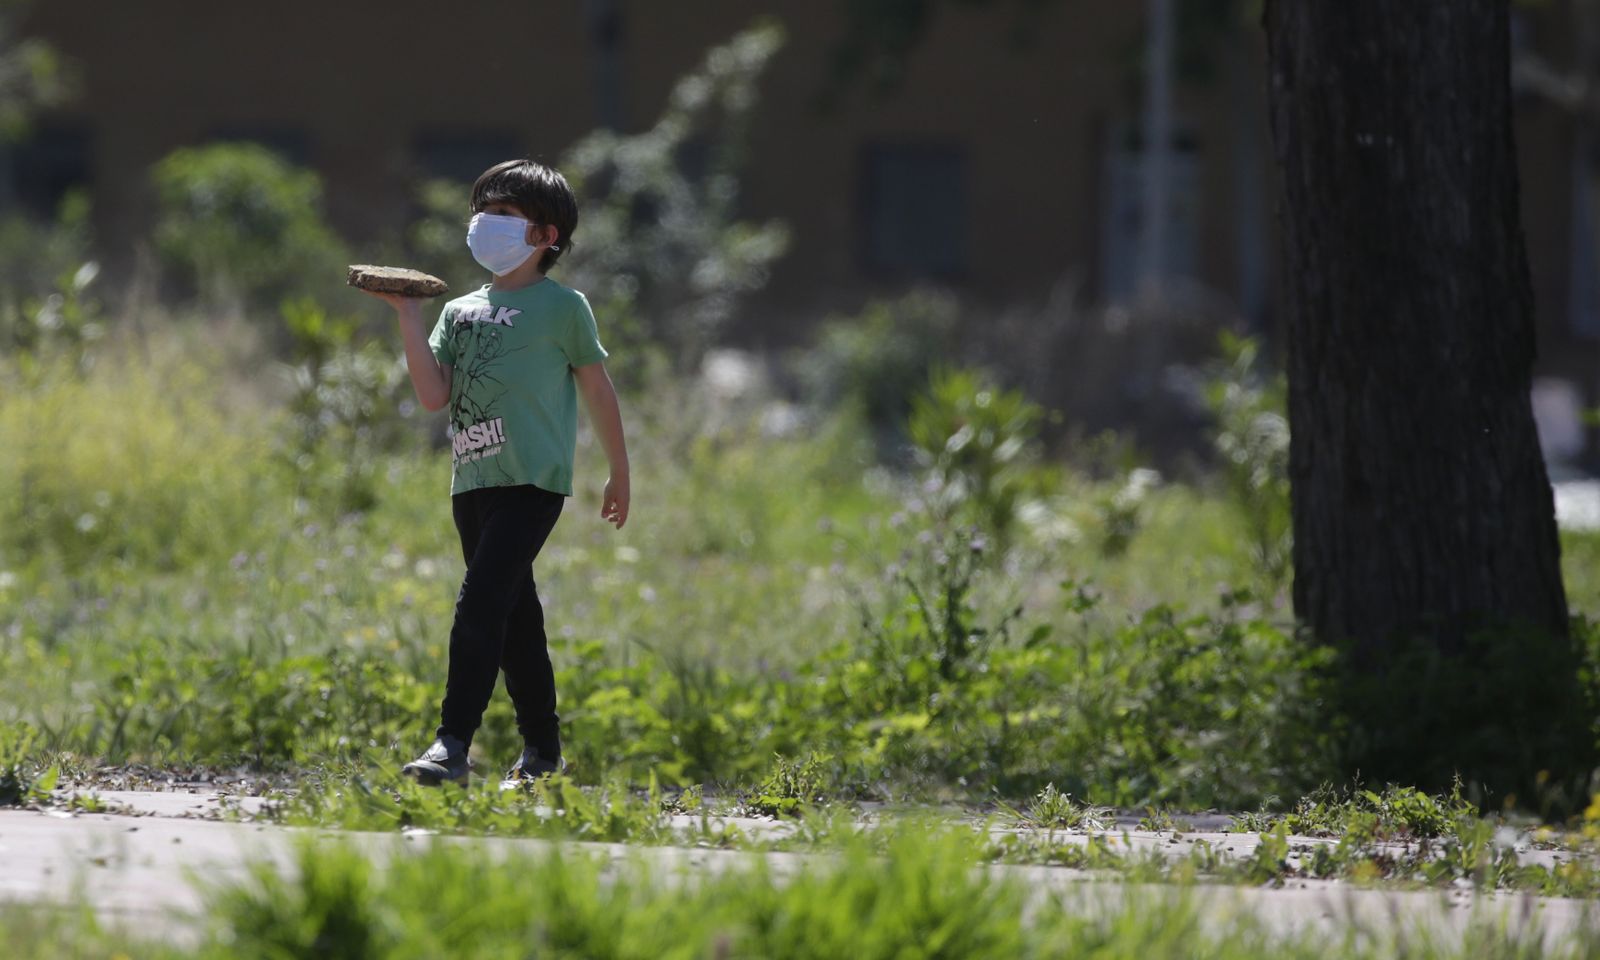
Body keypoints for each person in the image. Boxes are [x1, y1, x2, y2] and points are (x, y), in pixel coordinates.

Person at [362, 158, 630, 785]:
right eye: (483, 212)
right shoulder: (459, 311)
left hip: (533, 481)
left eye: (505, 214)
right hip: (473, 480)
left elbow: (597, 388)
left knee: (480, 600)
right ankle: (543, 754)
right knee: (514, 615)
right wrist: (407, 315)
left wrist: (619, 471)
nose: (487, 223)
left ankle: (451, 744)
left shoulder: (565, 308)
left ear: (545, 236)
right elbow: (434, 395)